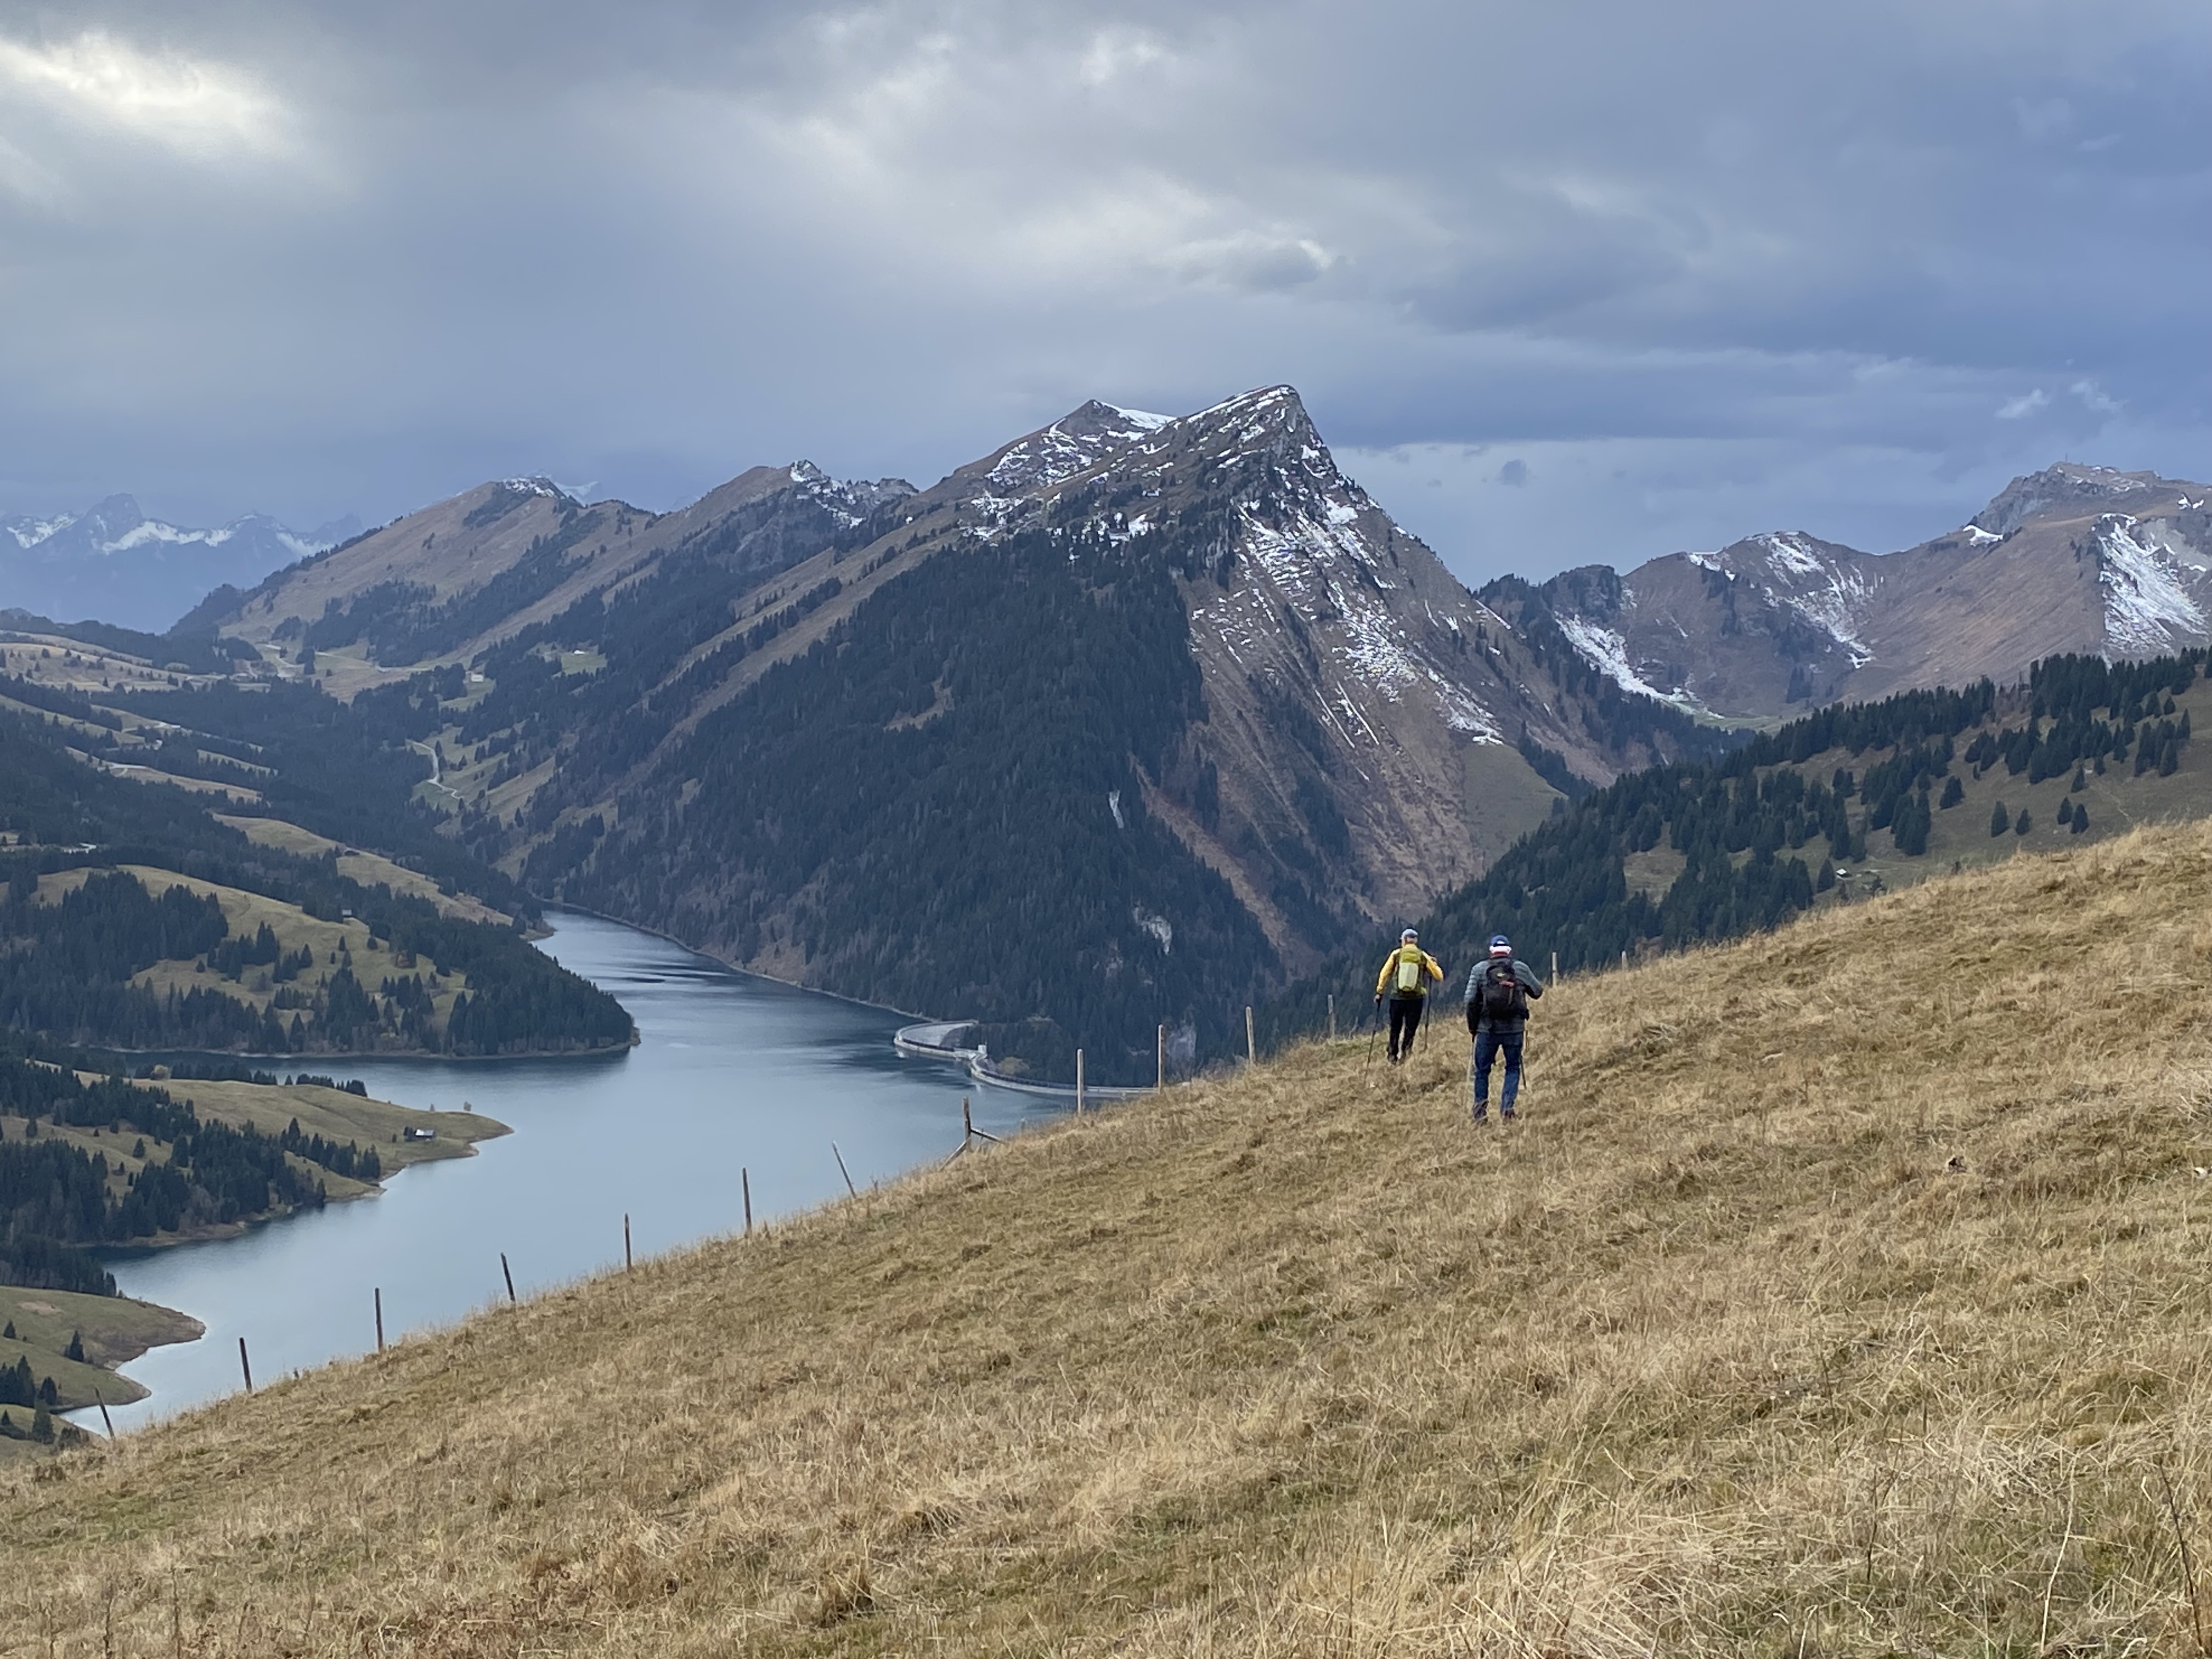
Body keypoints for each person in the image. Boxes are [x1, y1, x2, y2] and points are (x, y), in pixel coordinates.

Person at [1465, 934, 1543, 1122]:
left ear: (1491, 951)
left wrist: (1473, 1027)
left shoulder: (1479, 970)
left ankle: (1480, 1113)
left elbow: (1469, 1001)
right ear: (1509, 951)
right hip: (1514, 1029)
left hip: (1487, 1029)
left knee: (1482, 1071)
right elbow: (1538, 991)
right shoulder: (1520, 968)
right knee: (1513, 1067)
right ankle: (1507, 1108)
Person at [1373, 928, 1443, 1064]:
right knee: (1410, 1028)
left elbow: (1384, 974)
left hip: (1397, 998)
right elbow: (1438, 976)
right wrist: (1433, 964)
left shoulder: (1397, 955)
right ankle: (1406, 1055)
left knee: (1395, 1027)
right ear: (1415, 941)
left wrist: (1380, 992)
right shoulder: (1422, 956)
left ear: (1404, 940)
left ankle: (1392, 1055)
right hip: (1416, 999)